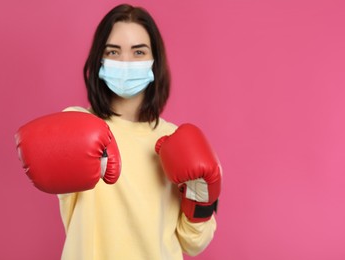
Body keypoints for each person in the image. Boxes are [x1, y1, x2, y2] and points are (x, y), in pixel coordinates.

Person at [16, 4, 221, 260]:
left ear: (154, 61)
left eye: (138, 52)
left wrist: (199, 197)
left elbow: (194, 243)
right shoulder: (77, 124)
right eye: (113, 51)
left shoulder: (175, 139)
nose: (126, 62)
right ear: (99, 60)